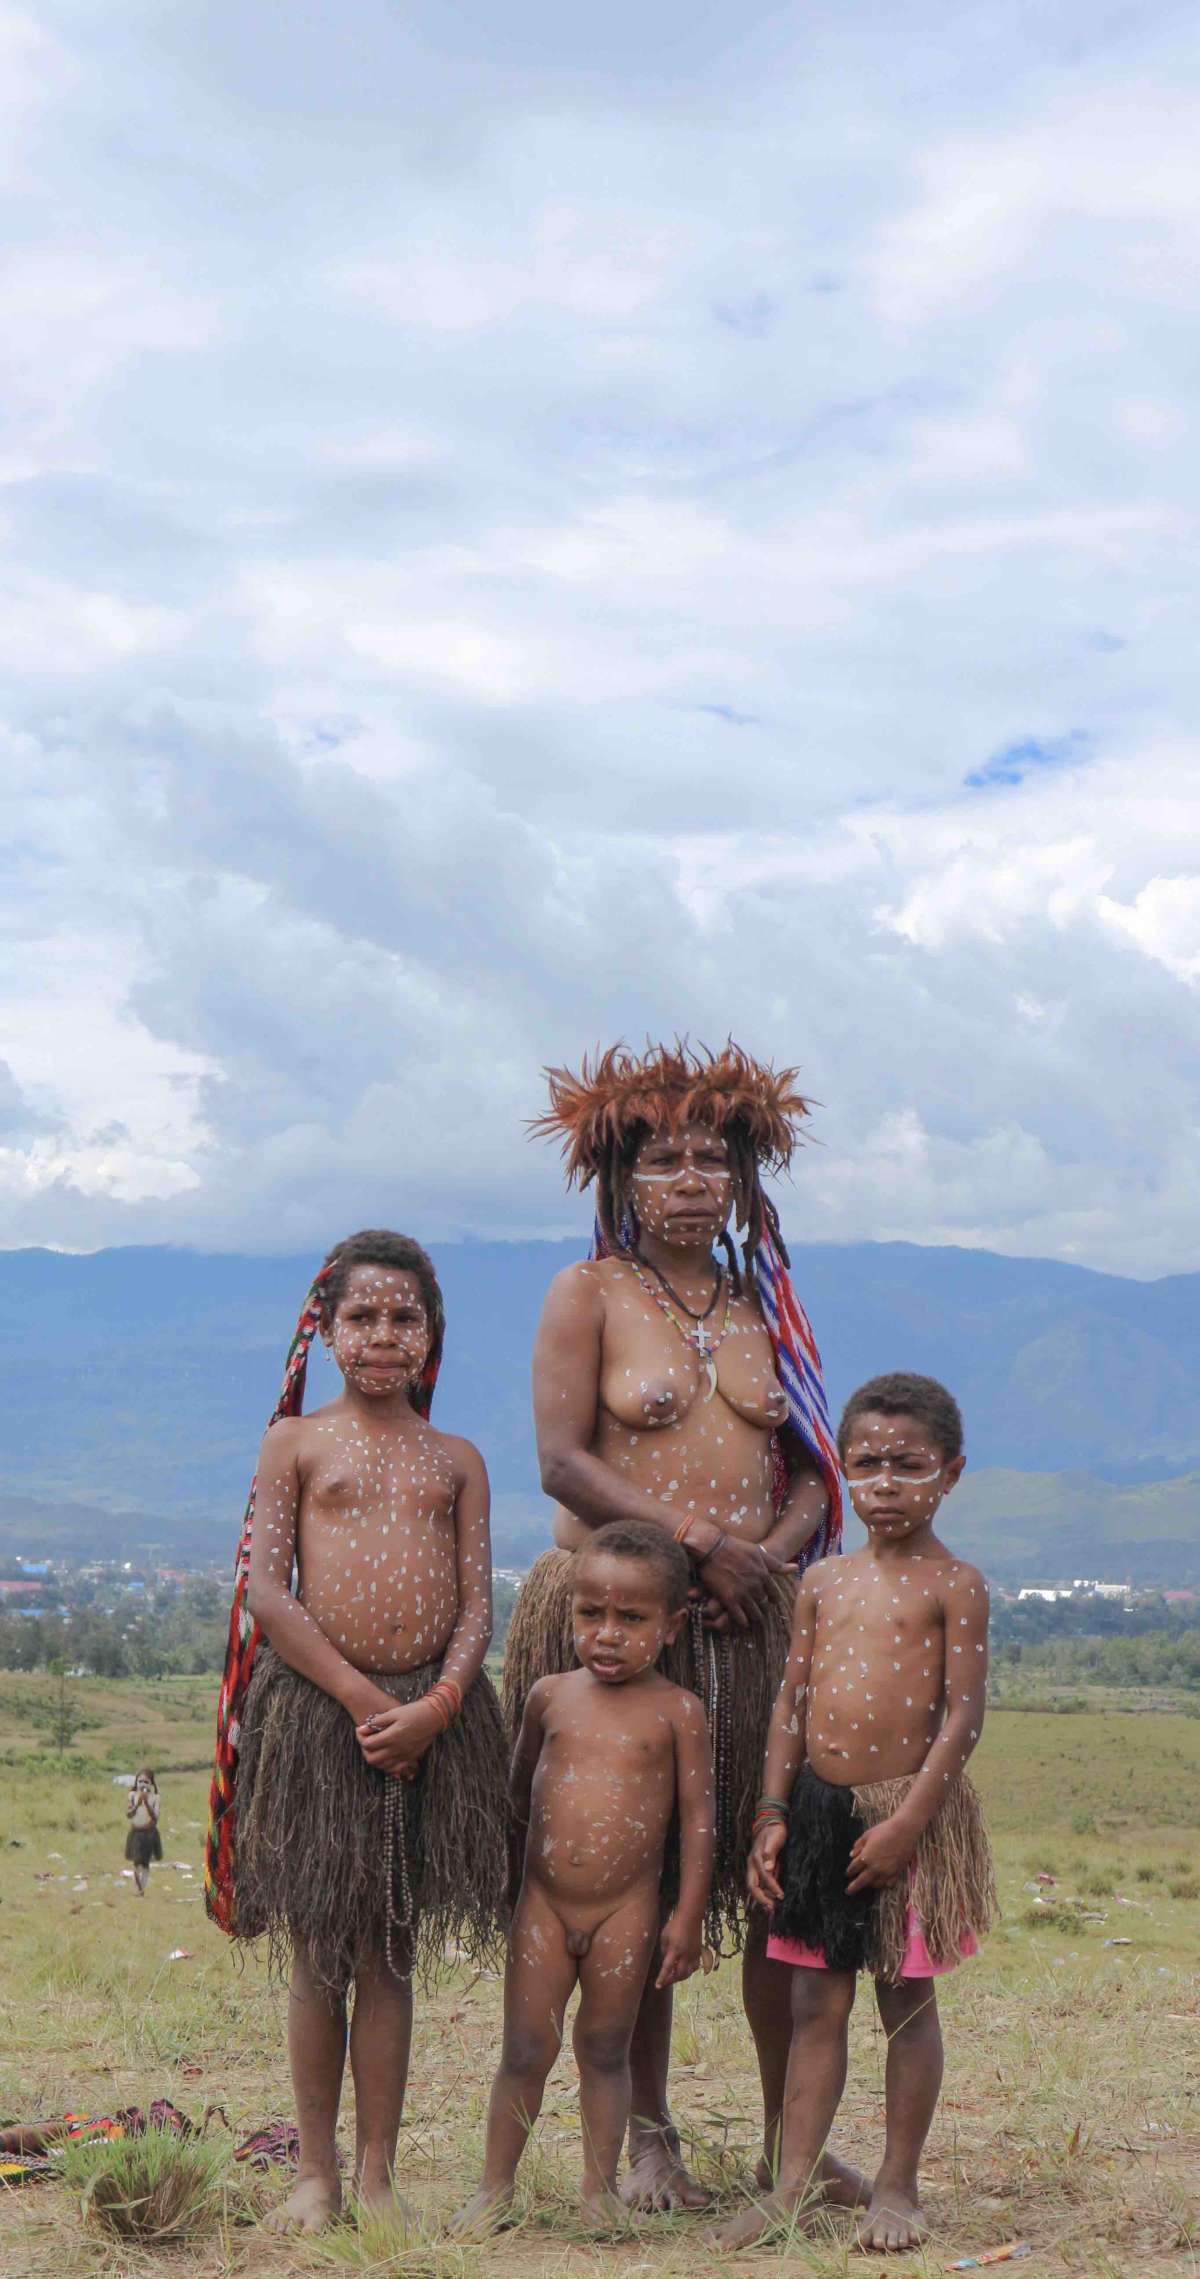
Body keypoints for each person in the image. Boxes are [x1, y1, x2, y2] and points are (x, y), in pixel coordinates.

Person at [505, 1040, 854, 2212]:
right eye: (665, 1158)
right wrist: (699, 1547)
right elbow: (561, 1459)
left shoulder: (768, 1306)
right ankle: (647, 2137)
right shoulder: (586, 1293)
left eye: (715, 1157)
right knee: (633, 1876)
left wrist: (777, 1548)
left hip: (758, 1617)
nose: (692, 1178)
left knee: (770, 1879)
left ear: (746, 1182)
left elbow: (812, 1463)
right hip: (616, 1618)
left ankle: (785, 2139)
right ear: (620, 1177)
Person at [203, 1229, 508, 2235]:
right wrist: (360, 1698)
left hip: (432, 1718)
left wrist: (437, 1706)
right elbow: (269, 1592)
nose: (384, 1334)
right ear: (326, 1330)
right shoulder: (295, 1441)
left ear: (432, 1334)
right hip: (320, 1718)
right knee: (319, 1948)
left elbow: (475, 1607)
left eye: (404, 1316)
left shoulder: (456, 1457)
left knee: (391, 1946)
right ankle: (316, 2175)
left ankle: (378, 2174)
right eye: (363, 1316)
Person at [710, 1372, 997, 2256]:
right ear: (842, 1467)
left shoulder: (956, 1583)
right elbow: (790, 1702)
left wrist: (911, 1819)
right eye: (866, 1462)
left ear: (950, 1472)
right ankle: (792, 2185)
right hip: (820, 1813)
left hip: (906, 1816)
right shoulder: (823, 1581)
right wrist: (771, 1812)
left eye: (906, 1465)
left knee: (906, 2000)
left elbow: (963, 1714)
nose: (883, 1483)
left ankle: (899, 2185)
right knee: (812, 2002)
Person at [454, 1522, 714, 2234]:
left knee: (605, 2047)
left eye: (631, 1618)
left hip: (624, 1913)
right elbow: (518, 1795)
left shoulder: (678, 1713)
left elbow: (697, 1823)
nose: (607, 1633)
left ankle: (598, 2192)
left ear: (671, 1625)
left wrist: (684, 1916)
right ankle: (494, 2188)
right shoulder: (548, 1696)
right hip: (542, 1905)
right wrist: (508, 1886)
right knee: (524, 2049)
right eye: (590, 1613)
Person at [124, 1768, 161, 1895]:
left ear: (151, 1783)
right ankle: (138, 1887)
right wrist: (138, 1804)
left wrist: (146, 1803)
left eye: (146, 1782)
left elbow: (155, 1818)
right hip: (135, 1833)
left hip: (149, 1834)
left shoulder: (155, 1798)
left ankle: (142, 1889)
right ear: (136, 1782)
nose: (143, 1784)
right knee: (136, 1863)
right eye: (140, 1781)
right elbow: (129, 1814)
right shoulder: (132, 1796)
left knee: (145, 1863)